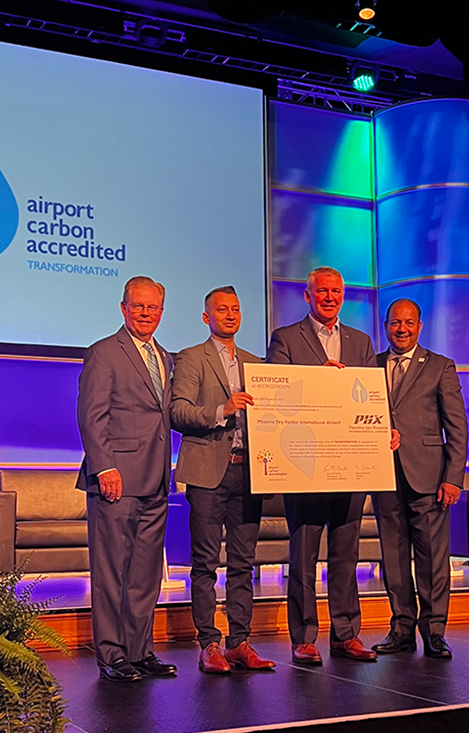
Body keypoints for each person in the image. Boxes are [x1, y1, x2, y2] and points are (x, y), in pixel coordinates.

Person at [266, 266, 395, 664]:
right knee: (303, 555)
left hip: (351, 464)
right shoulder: (286, 339)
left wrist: (385, 431)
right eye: (321, 292)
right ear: (307, 296)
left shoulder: (360, 342)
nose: (329, 297)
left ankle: (345, 634)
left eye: (336, 292)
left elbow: (372, 398)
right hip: (305, 466)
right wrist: (314, 381)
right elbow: (276, 397)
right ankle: (303, 637)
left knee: (346, 553)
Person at [76, 276, 177, 682]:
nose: (145, 313)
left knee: (145, 574)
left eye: (152, 308)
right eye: (137, 306)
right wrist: (105, 466)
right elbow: (91, 414)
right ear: (123, 308)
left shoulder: (167, 357)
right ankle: (112, 655)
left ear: (161, 312)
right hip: (116, 479)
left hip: (156, 479)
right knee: (112, 572)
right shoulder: (104, 352)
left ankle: (139, 651)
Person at [171, 286, 275, 674]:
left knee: (244, 562)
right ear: (206, 317)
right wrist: (221, 409)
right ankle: (208, 644)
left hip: (250, 471)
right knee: (204, 562)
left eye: (235, 309)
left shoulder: (255, 363)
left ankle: (239, 642)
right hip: (207, 470)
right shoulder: (191, 358)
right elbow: (178, 411)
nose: (230, 315)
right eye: (221, 310)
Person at [371, 298, 468, 659]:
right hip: (384, 475)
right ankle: (401, 629)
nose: (402, 329)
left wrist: (453, 477)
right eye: (396, 323)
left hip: (430, 477)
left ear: (419, 326)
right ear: (386, 326)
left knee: (431, 558)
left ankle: (435, 631)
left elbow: (457, 427)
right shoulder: (371, 366)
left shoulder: (441, 366)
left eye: (409, 323)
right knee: (393, 558)